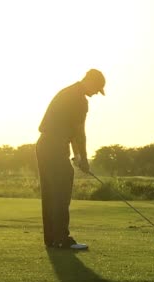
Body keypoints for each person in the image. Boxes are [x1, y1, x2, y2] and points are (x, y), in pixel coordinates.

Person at [36, 69, 105, 250]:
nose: (97, 92)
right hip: (55, 145)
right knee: (61, 193)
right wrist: (84, 159)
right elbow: (79, 133)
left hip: (44, 144)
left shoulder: (68, 92)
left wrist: (78, 156)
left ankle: (52, 239)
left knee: (50, 193)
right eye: (97, 88)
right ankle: (62, 239)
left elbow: (73, 133)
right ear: (89, 80)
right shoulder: (79, 100)